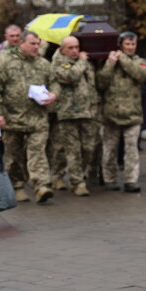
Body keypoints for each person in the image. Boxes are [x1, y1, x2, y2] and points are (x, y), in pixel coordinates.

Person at [0, 30, 58, 203]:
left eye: (38, 43)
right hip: (12, 118)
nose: (36, 47)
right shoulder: (4, 60)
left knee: (37, 152)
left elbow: (54, 82)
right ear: (21, 43)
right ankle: (17, 185)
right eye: (32, 44)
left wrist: (54, 94)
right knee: (14, 155)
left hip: (37, 118)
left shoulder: (42, 63)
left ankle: (41, 186)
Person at [96, 31, 146, 193]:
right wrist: (110, 64)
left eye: (133, 44)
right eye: (127, 44)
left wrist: (123, 59)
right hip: (110, 114)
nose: (130, 47)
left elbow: (141, 75)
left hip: (132, 115)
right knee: (109, 151)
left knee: (131, 150)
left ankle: (131, 180)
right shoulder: (109, 62)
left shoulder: (139, 61)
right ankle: (110, 179)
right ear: (120, 45)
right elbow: (100, 83)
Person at [49, 36, 98, 197]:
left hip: (87, 112)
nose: (75, 51)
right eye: (70, 48)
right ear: (63, 50)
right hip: (68, 113)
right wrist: (82, 62)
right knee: (72, 150)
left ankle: (70, 174)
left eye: (77, 47)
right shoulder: (58, 64)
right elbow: (70, 77)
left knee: (89, 148)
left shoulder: (85, 63)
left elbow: (92, 85)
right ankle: (77, 182)